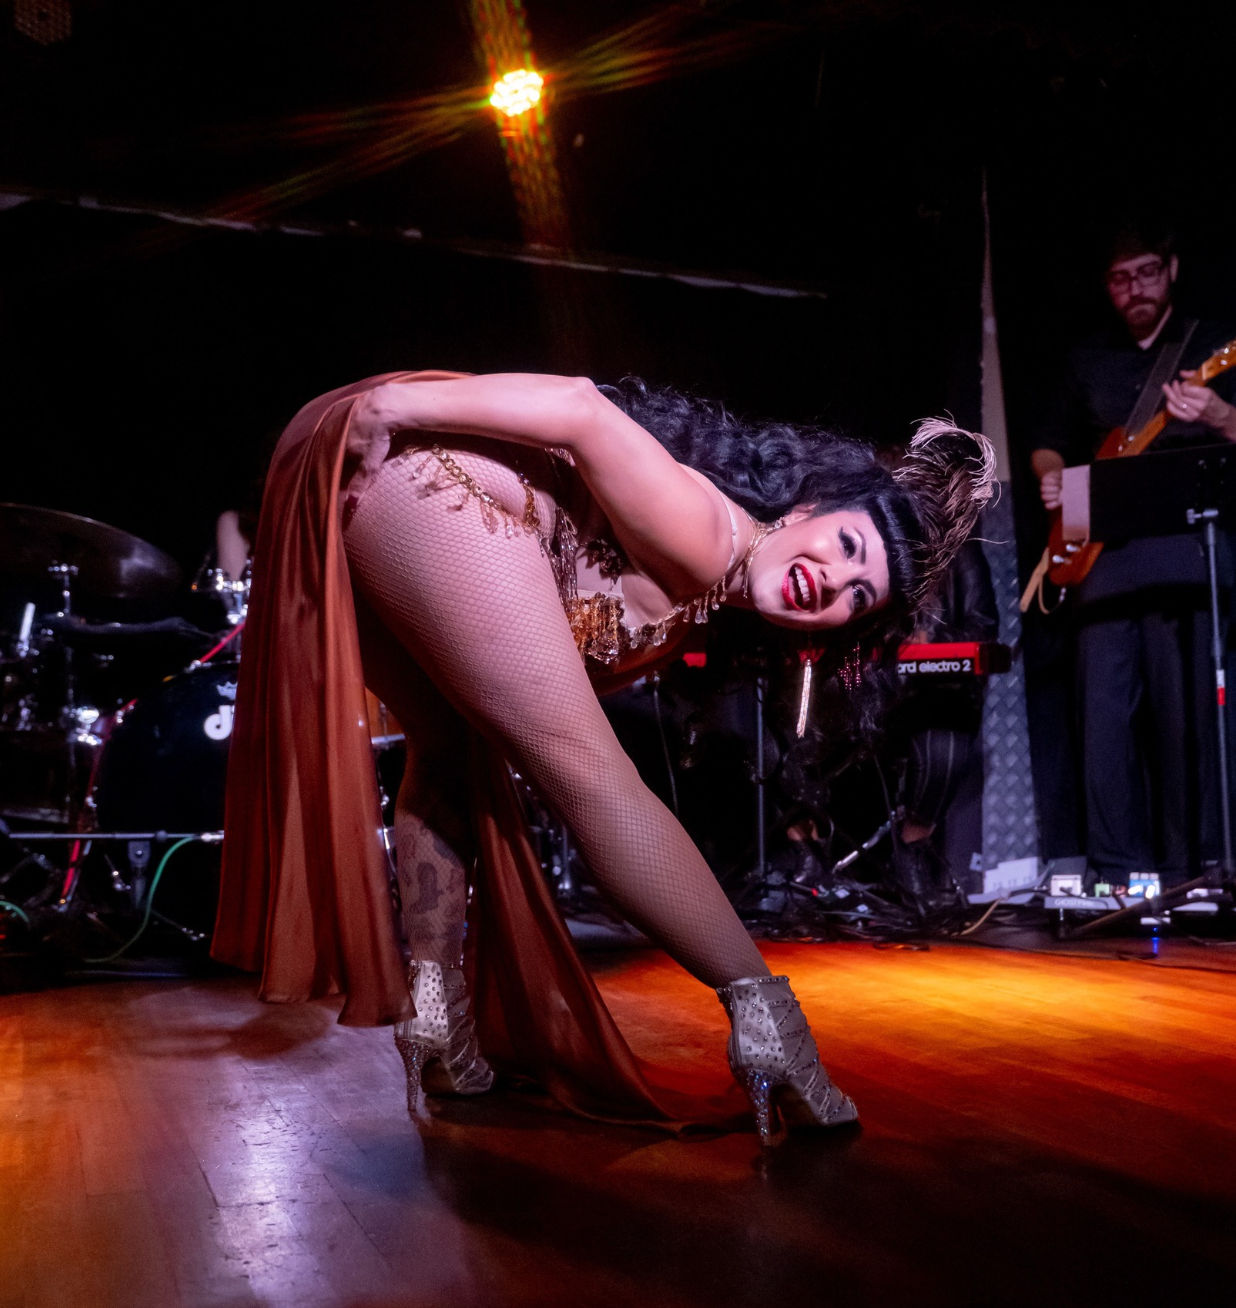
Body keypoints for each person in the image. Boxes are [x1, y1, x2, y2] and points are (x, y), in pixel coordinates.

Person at [212, 369, 994, 1145]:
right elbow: (581, 407)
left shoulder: (711, 594)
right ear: (806, 508)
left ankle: (437, 1020)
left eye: (858, 596)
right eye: (846, 546)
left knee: (449, 752)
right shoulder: (711, 530)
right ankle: (770, 1025)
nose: (833, 584)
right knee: (592, 777)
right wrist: (389, 407)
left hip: (385, 506)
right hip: (428, 485)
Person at [1029, 225, 1236, 889]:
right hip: (1104, 560)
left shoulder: (1209, 344)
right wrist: (1052, 475)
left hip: (1186, 553)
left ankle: (1197, 867)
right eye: (1120, 279)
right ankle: (1117, 871)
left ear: (1172, 269)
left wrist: (1220, 416)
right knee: (1104, 723)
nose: (1134, 289)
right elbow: (1049, 442)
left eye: (1147, 273)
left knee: (1189, 720)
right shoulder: (1089, 358)